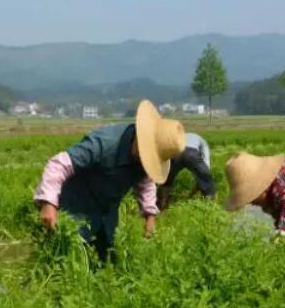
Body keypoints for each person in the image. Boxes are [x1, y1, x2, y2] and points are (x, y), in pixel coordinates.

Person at [34, 100, 185, 260]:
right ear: (141, 138)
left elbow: (145, 182)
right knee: (64, 257)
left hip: (107, 210)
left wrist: (150, 215)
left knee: (105, 259)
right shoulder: (105, 142)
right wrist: (49, 203)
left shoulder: (143, 163)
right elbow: (59, 163)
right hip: (75, 205)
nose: (145, 161)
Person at [157, 132, 216, 209]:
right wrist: (193, 193)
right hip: (191, 153)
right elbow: (206, 169)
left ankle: (162, 205)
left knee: (166, 180)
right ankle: (209, 206)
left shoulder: (182, 137)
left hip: (175, 153)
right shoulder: (203, 141)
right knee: (206, 179)